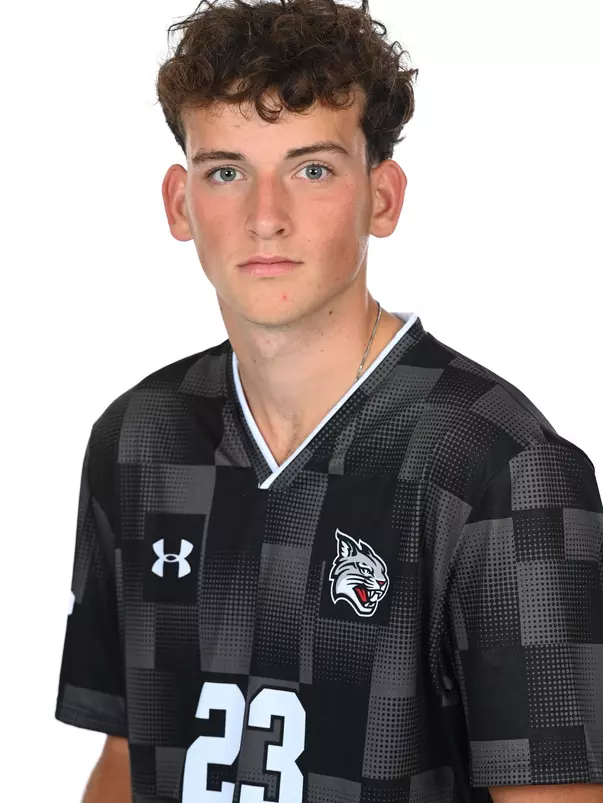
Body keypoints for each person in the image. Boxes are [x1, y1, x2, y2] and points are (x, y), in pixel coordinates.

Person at [54, 0, 603, 801]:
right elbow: (124, 758)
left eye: (311, 169)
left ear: (381, 197)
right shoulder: (138, 436)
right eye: (226, 171)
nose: (265, 218)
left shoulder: (501, 467)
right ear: (179, 201)